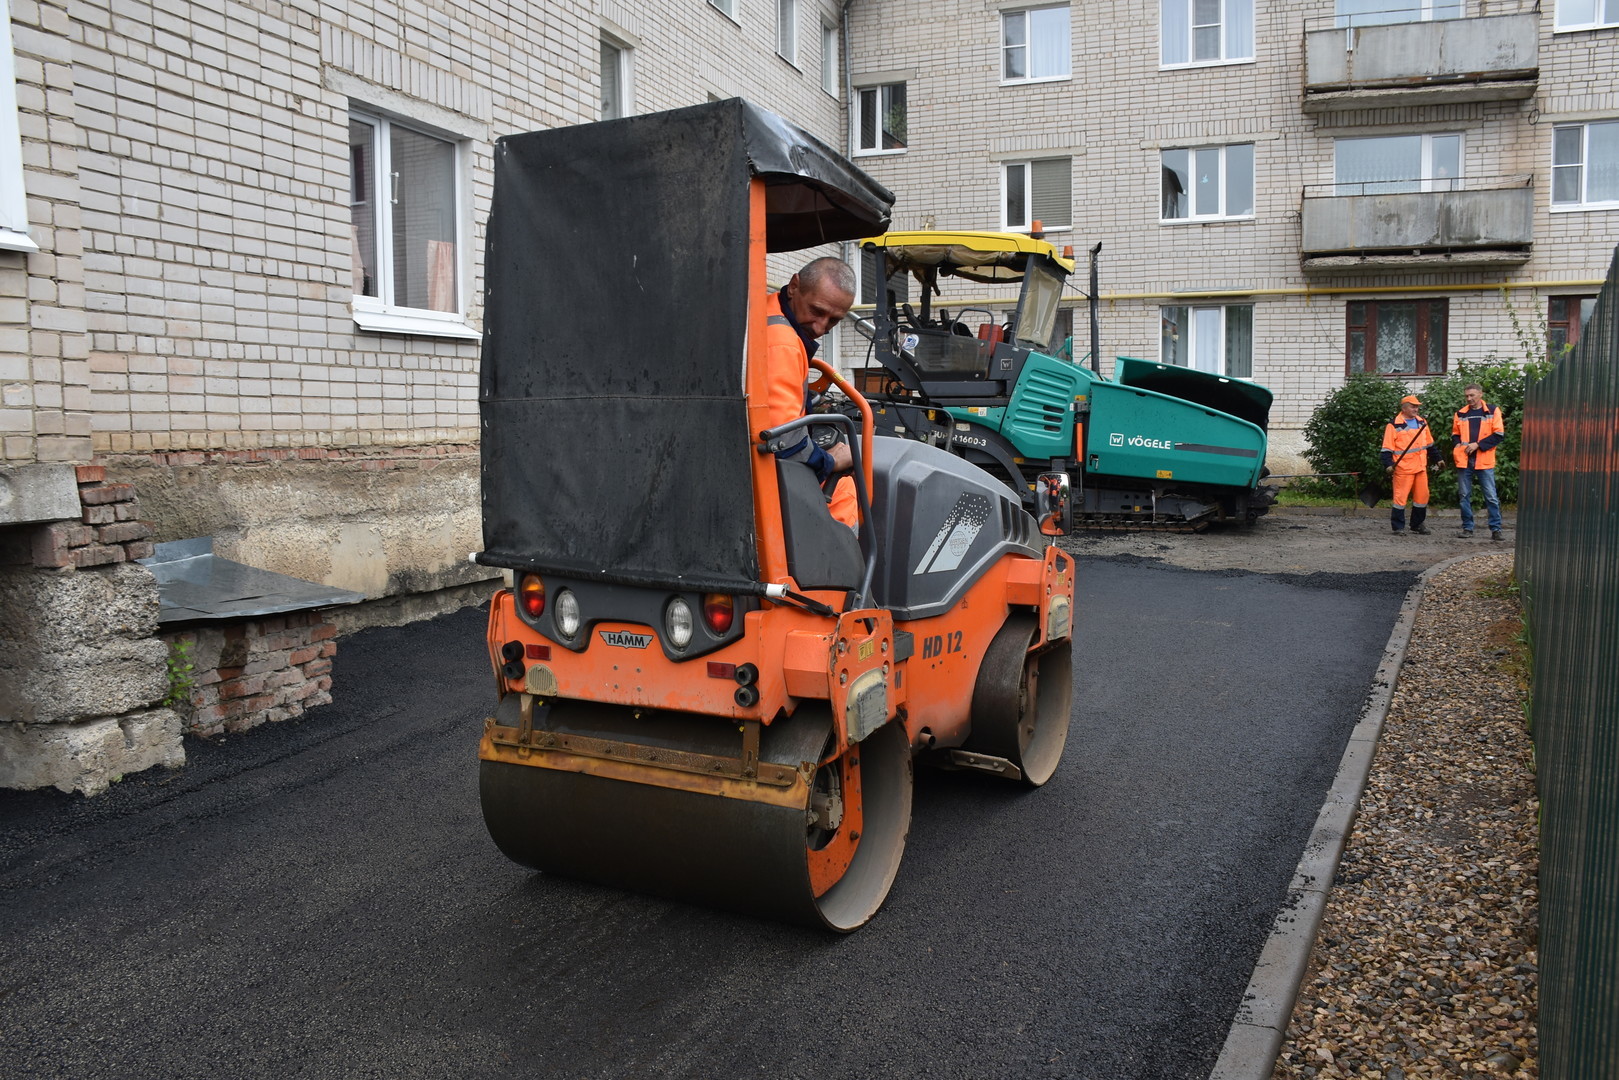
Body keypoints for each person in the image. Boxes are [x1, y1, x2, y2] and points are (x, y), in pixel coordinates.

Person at [763, 256, 858, 528]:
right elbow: (783, 443)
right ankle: (842, 570)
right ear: (794, 286)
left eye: (833, 321)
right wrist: (829, 461)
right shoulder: (784, 343)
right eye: (817, 311)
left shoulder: (766, 314)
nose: (820, 328)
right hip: (769, 475)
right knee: (845, 490)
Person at [1452, 382, 1506, 541]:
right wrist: (1457, 445)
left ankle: (1496, 529)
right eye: (1467, 396)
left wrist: (1478, 445)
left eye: (1472, 395)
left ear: (1480, 394)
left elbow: (1499, 435)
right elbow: (1455, 434)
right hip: (1464, 460)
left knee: (1490, 496)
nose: (1469, 399)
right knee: (1464, 495)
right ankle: (1467, 528)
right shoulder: (1460, 413)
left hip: (1484, 460)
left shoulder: (1493, 410)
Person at [1380, 394, 1438, 535]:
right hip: (1403, 469)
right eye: (1413, 406)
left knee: (1422, 497)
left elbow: (1429, 445)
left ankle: (1417, 524)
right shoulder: (1393, 425)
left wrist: (1438, 459)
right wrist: (1388, 464)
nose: (1416, 409)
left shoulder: (1422, 422)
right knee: (1400, 498)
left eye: (1417, 406)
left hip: (1420, 467)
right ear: (1404, 408)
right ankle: (1398, 527)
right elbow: (1386, 449)